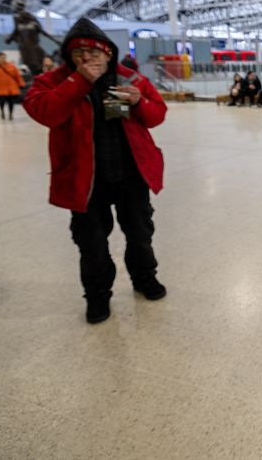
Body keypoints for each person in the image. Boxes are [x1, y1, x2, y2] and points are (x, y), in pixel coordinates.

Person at [24, 18, 168, 324]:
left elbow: (157, 116)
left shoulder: (130, 80)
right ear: (69, 57)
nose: (87, 58)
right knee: (92, 245)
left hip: (131, 176)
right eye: (79, 54)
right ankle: (98, 297)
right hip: (85, 182)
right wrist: (78, 82)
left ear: (108, 53)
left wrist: (139, 102)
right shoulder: (53, 81)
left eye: (93, 52)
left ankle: (145, 278)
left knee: (141, 235)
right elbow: (44, 112)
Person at [6, 0, 60, 75]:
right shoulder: (20, 22)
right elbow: (14, 33)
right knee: (34, 66)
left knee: (39, 65)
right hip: (27, 49)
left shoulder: (28, 22)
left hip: (31, 49)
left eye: (18, 8)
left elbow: (43, 32)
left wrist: (56, 41)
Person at [0, 52, 25, 120]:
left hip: (11, 88)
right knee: (1, 102)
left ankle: (10, 114)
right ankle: (2, 111)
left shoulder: (11, 66)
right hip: (0, 89)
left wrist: (21, 84)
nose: (3, 59)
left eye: (4, 58)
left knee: (11, 102)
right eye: (1, 58)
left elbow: (18, 76)